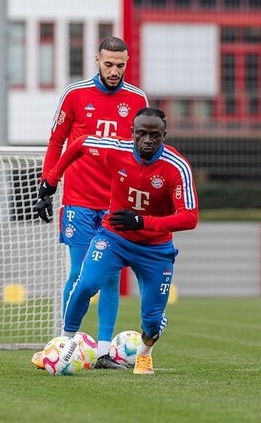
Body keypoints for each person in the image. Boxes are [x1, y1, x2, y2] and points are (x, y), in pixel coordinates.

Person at [37, 107, 198, 374]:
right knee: (84, 284)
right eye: (142, 134)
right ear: (132, 133)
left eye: (155, 135)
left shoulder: (176, 166)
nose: (147, 140)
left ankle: (145, 353)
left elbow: (189, 217)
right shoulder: (114, 148)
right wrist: (52, 179)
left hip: (155, 249)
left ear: (164, 135)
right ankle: (61, 345)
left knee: (152, 321)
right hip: (114, 237)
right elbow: (78, 143)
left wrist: (143, 222)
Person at [33, 37, 149, 369]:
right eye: (109, 64)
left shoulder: (137, 98)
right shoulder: (75, 94)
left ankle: (101, 351)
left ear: (128, 62)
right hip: (79, 201)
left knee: (110, 277)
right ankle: (64, 344)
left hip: (116, 204)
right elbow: (57, 141)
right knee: (81, 272)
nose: (115, 71)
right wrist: (47, 184)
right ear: (96, 59)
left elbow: (141, 152)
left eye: (121, 65)